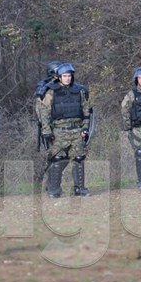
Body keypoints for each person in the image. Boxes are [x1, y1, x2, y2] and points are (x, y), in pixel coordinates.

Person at [39, 63, 92, 198]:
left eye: (69, 76)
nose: (67, 78)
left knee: (79, 159)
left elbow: (86, 112)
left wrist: (85, 129)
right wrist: (46, 131)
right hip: (59, 131)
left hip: (76, 130)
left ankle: (79, 188)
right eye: (65, 76)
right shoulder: (51, 92)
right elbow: (44, 112)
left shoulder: (79, 91)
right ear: (59, 77)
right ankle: (54, 189)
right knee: (58, 159)